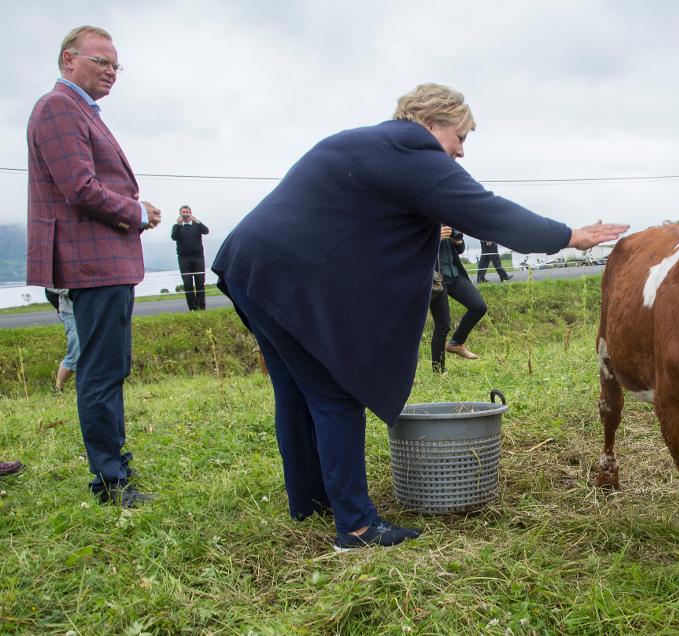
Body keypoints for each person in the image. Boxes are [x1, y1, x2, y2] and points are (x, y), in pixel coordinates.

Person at [212, 83, 628, 551]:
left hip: (250, 264)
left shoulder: (368, 141)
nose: (462, 151)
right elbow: (486, 212)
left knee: (295, 391)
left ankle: (310, 501)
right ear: (434, 123)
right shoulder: (412, 152)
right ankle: (356, 526)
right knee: (335, 391)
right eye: (461, 137)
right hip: (285, 274)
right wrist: (568, 235)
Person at [26, 25, 162, 508]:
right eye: (101, 61)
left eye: (115, 65)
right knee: (101, 373)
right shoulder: (59, 107)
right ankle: (109, 480)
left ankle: (115, 465)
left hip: (106, 261)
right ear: (69, 60)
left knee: (109, 368)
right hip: (92, 261)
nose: (110, 72)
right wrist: (137, 212)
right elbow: (80, 188)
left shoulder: (79, 109)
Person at [430, 225, 488, 370]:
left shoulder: (448, 220)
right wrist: (435, 238)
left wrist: (458, 242)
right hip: (436, 279)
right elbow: (415, 246)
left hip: (455, 275)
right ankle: (439, 370)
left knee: (479, 306)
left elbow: (459, 251)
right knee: (443, 325)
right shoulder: (425, 221)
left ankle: (456, 343)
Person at [170, 205, 209, 310]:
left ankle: (201, 306)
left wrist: (197, 220)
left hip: (198, 258)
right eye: (183, 212)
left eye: (187, 212)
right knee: (187, 284)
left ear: (190, 213)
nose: (185, 214)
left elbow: (206, 231)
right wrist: (178, 225)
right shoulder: (176, 227)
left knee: (200, 281)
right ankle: (192, 307)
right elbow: (174, 237)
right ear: (180, 214)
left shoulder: (196, 225)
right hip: (184, 259)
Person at [46, 287, 80, 391]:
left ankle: (91, 386)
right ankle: (58, 389)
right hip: (71, 311)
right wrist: (75, 291)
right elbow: (49, 285)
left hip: (92, 308)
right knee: (76, 353)